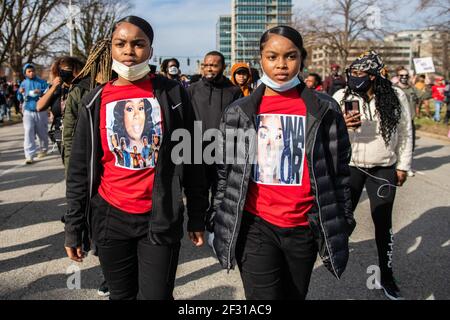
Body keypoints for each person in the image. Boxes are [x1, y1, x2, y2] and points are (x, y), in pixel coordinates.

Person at [64, 15, 207, 300]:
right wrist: (74, 227)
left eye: (138, 44)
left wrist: (197, 216)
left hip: (159, 216)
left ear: (150, 51)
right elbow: (79, 169)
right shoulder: (94, 100)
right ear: (112, 51)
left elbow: (193, 157)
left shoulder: (174, 94)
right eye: (121, 44)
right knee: (121, 295)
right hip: (109, 217)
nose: (130, 50)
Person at [210, 26, 355, 300]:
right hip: (256, 226)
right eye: (272, 56)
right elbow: (225, 173)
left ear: (301, 58)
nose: (281, 65)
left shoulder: (325, 109)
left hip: (303, 227)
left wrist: (343, 220)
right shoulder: (238, 112)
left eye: (290, 56)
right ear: (260, 59)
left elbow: (339, 172)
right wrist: (217, 217)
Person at [333, 51, 412, 300]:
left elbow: (406, 131)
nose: (355, 77)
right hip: (352, 165)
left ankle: (386, 276)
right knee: (343, 218)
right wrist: (341, 125)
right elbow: (327, 134)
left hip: (383, 167)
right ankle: (334, 257)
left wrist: (403, 166)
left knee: (382, 221)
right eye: (352, 73)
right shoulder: (340, 96)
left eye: (361, 73)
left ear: (375, 75)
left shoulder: (396, 96)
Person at [187, 50, 242, 239]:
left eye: (214, 65)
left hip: (223, 149)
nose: (209, 68)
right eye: (206, 65)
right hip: (196, 148)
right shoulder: (192, 89)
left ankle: (214, 225)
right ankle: (197, 224)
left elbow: (238, 122)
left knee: (221, 189)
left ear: (223, 67)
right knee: (198, 189)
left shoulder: (234, 91)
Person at [36, 56, 83, 156]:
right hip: (61, 134)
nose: (65, 72)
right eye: (62, 69)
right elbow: (39, 107)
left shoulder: (82, 88)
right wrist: (53, 87)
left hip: (79, 134)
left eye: (68, 69)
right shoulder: (56, 88)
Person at [17, 63, 49, 164]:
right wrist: (20, 92)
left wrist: (40, 92)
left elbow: (48, 92)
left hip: (40, 110)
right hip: (28, 111)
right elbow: (19, 97)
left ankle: (43, 149)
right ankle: (29, 155)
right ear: (25, 73)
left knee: (42, 132)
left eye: (32, 71)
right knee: (28, 132)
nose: (31, 73)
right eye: (29, 72)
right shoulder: (23, 83)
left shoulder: (42, 82)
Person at [395, 67, 419, 177]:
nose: (404, 77)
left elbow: (424, 96)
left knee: (410, 144)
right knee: (397, 144)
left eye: (406, 75)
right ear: (397, 77)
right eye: (401, 75)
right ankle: (396, 165)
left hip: (410, 120)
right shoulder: (393, 89)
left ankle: (406, 166)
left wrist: (428, 85)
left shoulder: (412, 89)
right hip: (396, 121)